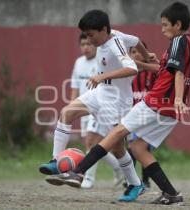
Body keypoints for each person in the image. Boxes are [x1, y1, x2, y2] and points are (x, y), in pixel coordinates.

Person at [47, 2, 190, 205]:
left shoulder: (178, 41)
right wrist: (144, 63)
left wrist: (178, 98)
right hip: (168, 108)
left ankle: (78, 172)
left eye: (164, 25)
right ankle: (171, 194)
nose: (162, 30)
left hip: (157, 102)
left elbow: (178, 72)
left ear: (177, 24)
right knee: (138, 147)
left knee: (116, 135)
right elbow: (164, 71)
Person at [41, 9, 153, 202]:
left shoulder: (115, 44)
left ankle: (135, 184)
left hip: (117, 101)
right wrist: (147, 55)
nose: (89, 40)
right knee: (67, 113)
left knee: (118, 149)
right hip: (101, 93)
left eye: (91, 35)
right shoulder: (116, 33)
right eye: (86, 35)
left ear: (103, 30)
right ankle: (55, 161)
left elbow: (132, 68)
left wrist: (102, 76)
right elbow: (135, 40)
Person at [69, 32, 124, 189]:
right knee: (94, 144)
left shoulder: (102, 60)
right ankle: (118, 166)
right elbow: (74, 84)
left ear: (95, 44)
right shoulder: (78, 62)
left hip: (99, 105)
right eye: (83, 44)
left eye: (89, 44)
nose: (86, 47)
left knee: (91, 143)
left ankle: (88, 178)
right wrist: (73, 104)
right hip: (83, 106)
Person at [126, 45, 158, 188]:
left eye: (139, 51)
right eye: (133, 52)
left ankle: (144, 179)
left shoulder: (153, 72)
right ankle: (132, 180)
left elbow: (163, 73)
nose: (137, 54)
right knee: (132, 148)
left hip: (149, 115)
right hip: (131, 115)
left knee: (142, 149)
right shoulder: (127, 73)